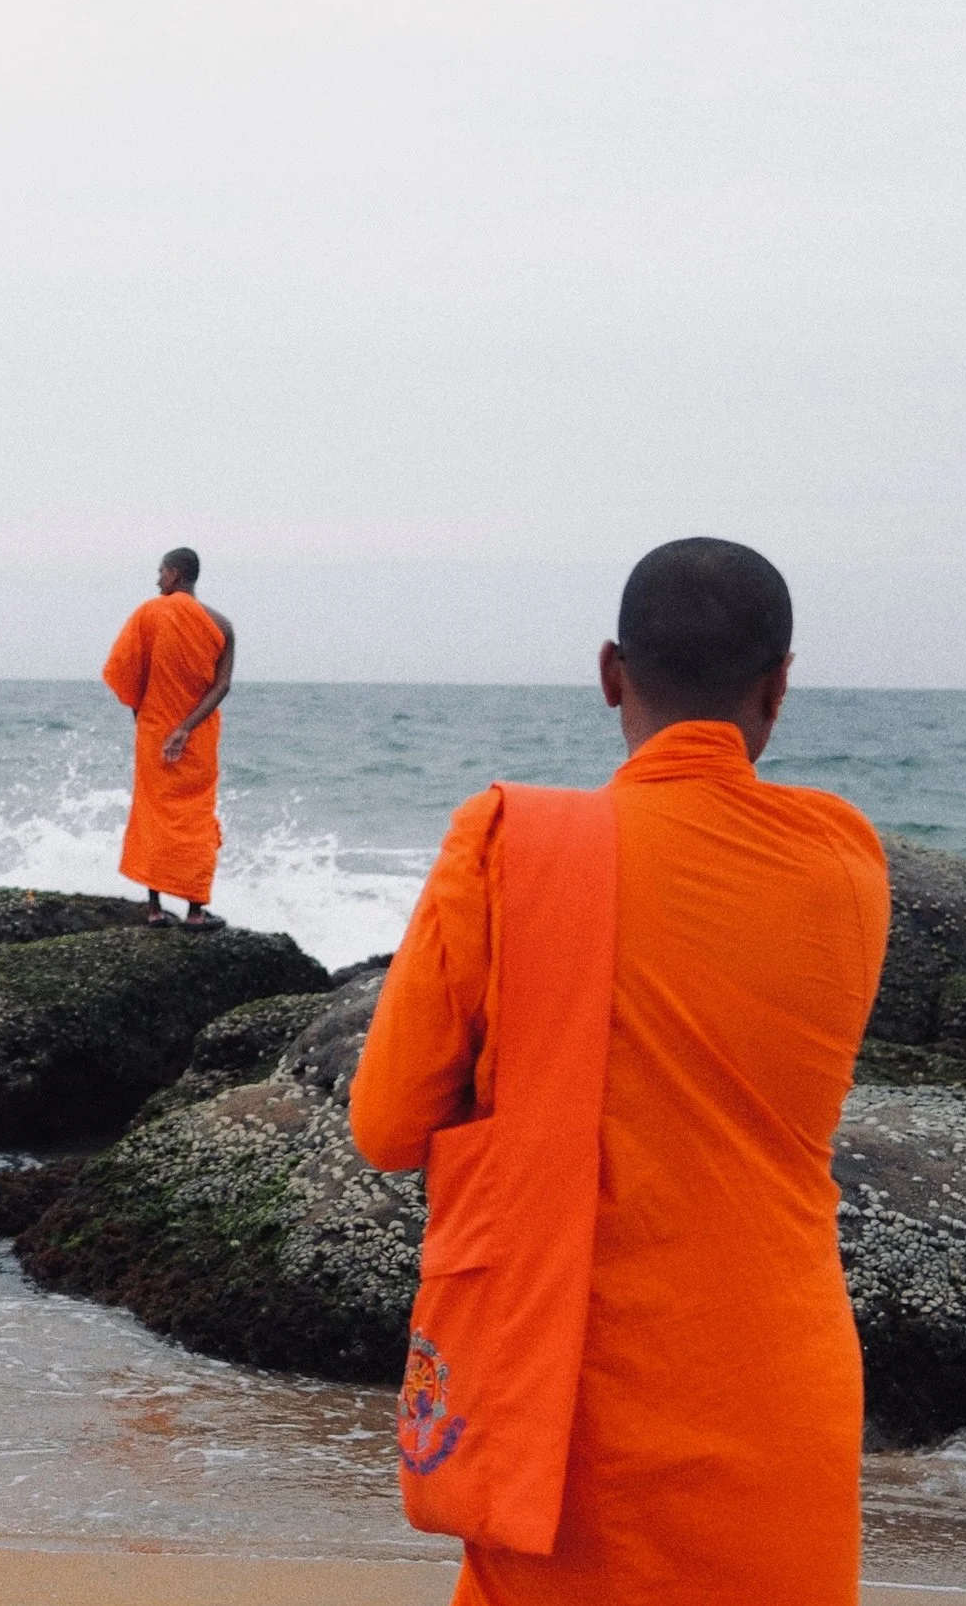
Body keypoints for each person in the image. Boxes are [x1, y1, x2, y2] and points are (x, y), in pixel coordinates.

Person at [349, 538, 889, 1604]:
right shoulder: (846, 859)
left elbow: (385, 1124)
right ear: (779, 683)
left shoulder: (512, 846)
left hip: (568, 1404)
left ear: (610, 673)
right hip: (781, 1397)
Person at [101, 547, 235, 929]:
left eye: (161, 572)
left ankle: (155, 909)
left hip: (155, 732)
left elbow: (128, 673)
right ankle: (194, 912)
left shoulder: (150, 613)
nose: (157, 579)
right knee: (196, 818)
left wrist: (147, 722)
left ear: (176, 575)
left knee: (153, 814)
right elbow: (222, 686)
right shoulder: (222, 624)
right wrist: (186, 729)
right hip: (198, 736)